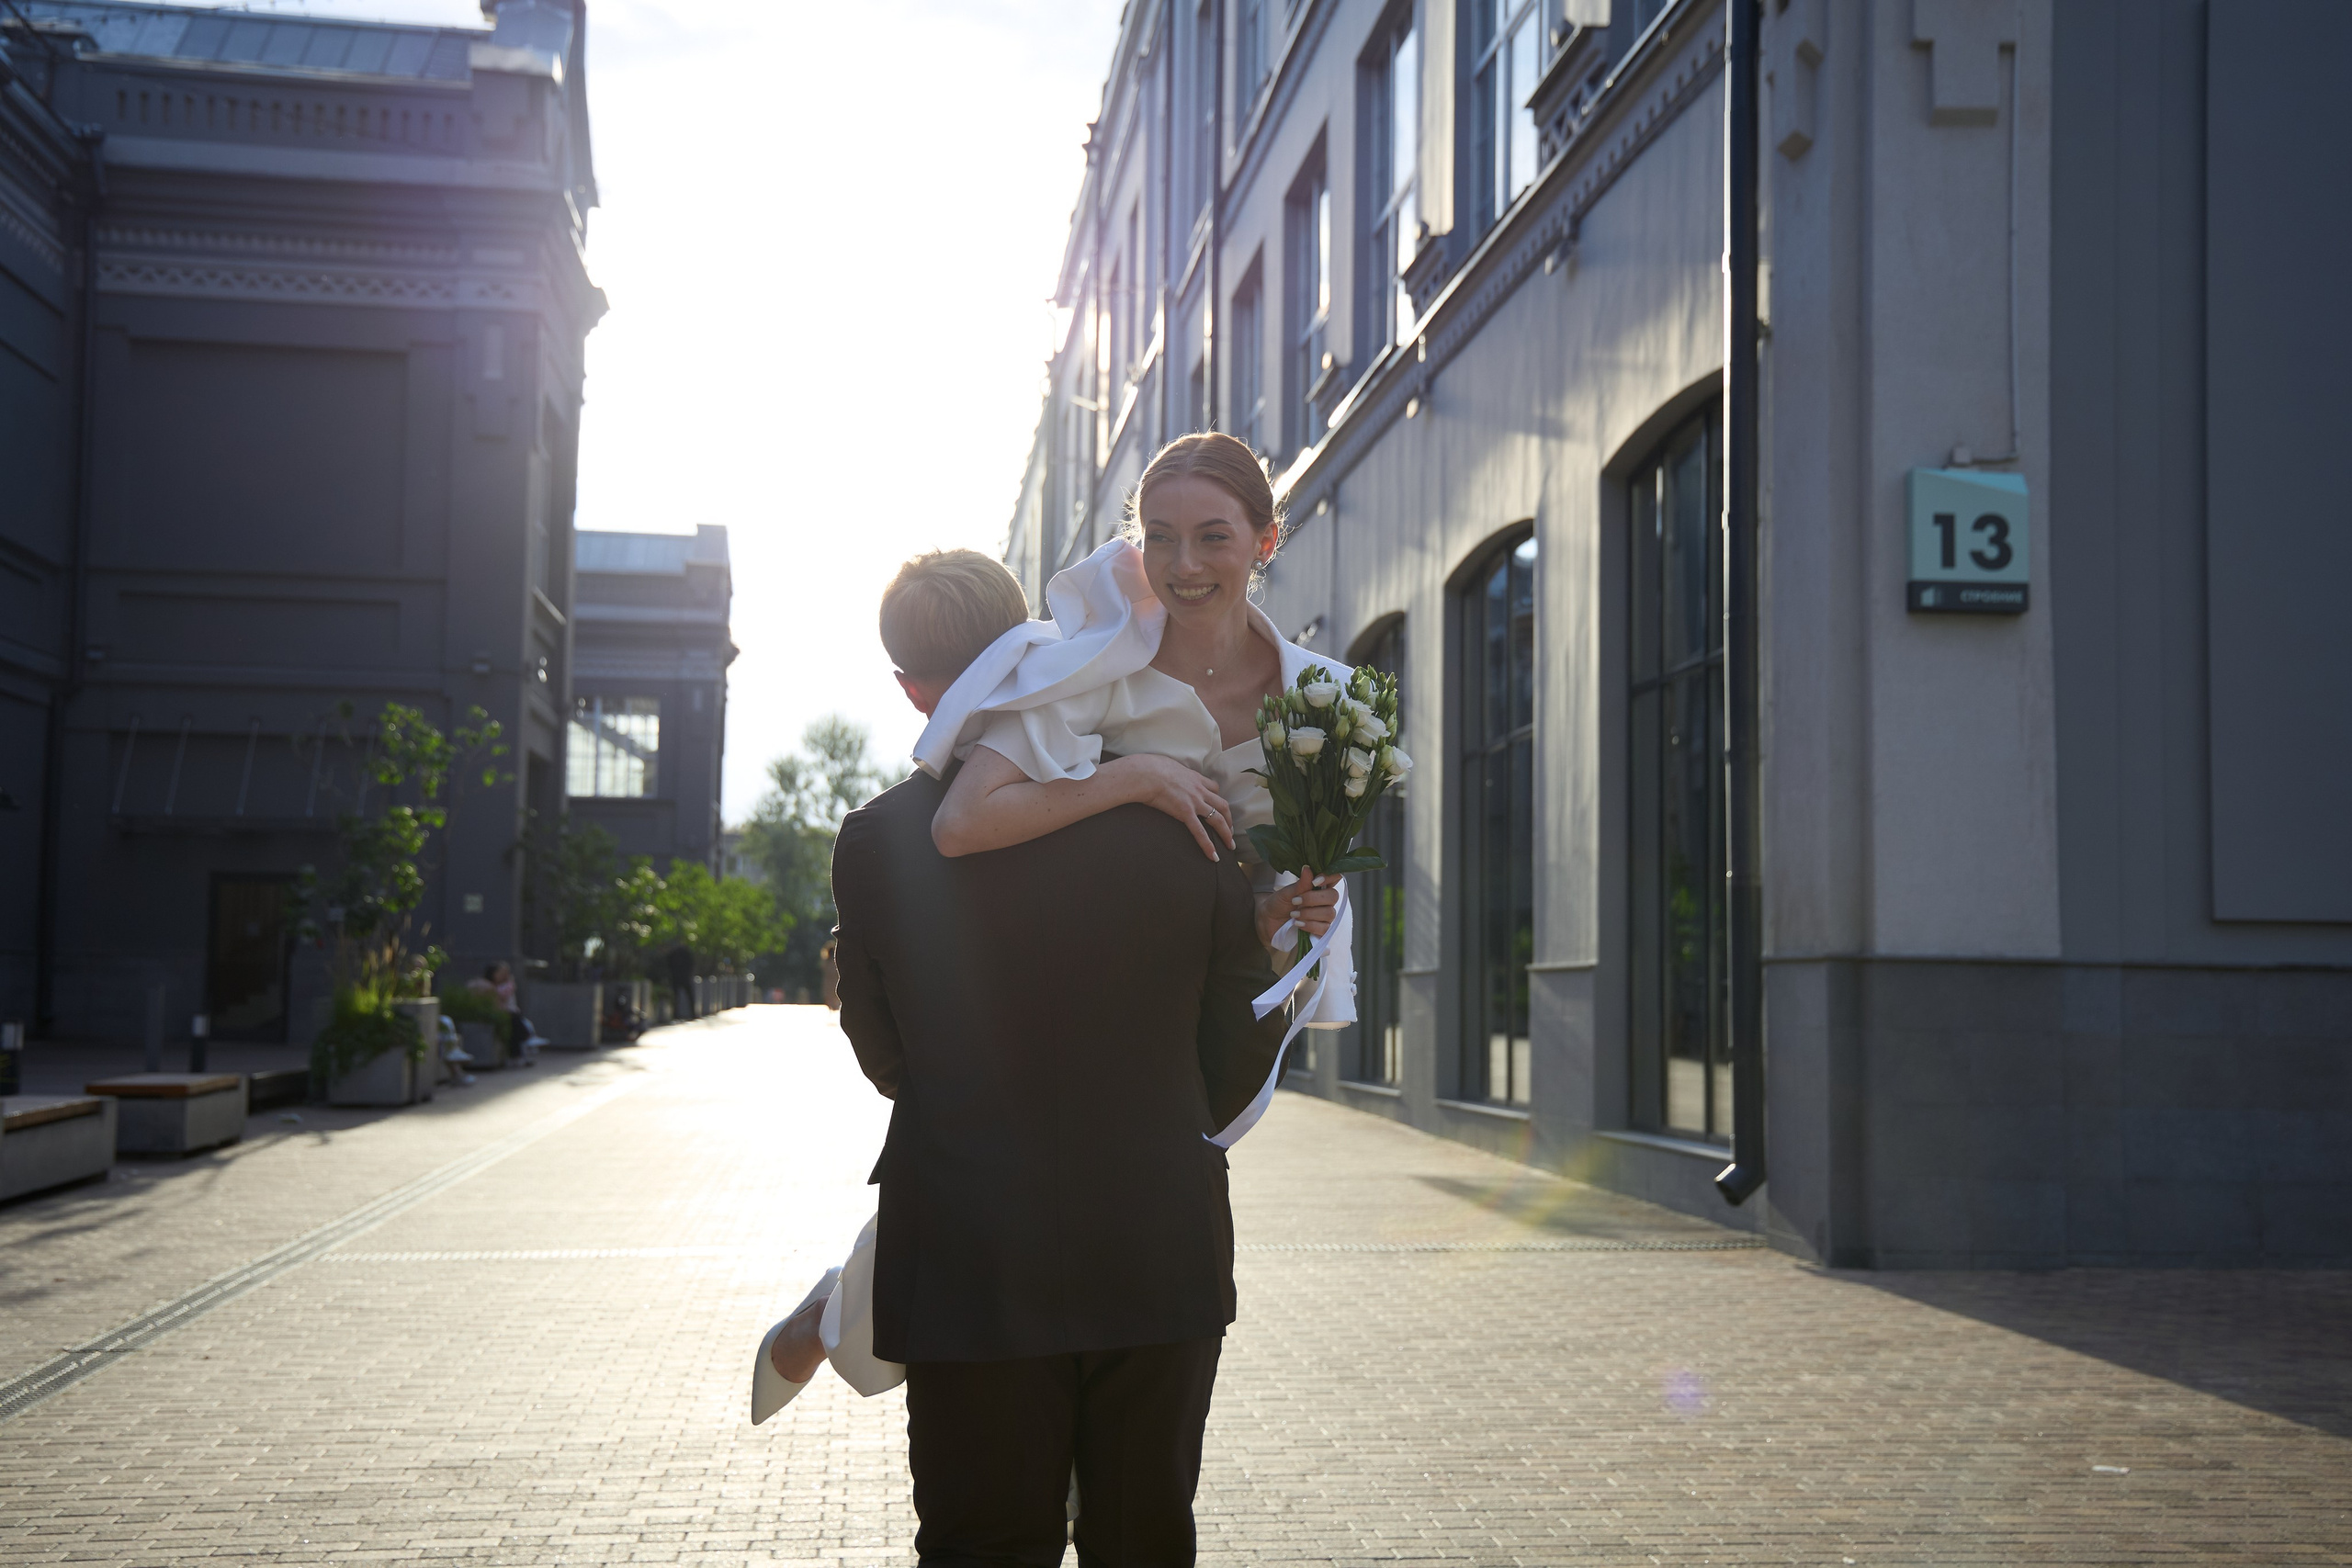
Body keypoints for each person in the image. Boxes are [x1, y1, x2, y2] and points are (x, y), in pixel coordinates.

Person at [665, 942, 695, 1021]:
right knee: (689, 996)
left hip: (676, 977)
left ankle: (675, 1014)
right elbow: (691, 964)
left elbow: (668, 964)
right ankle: (693, 1014)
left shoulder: (673, 953)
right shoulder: (686, 953)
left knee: (676, 997)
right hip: (685, 977)